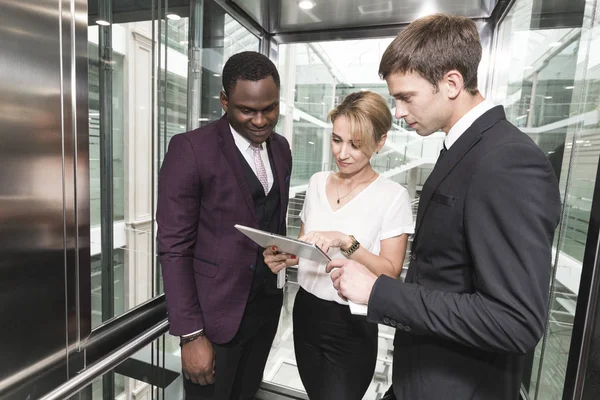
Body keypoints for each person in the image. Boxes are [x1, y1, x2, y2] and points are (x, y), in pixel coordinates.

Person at [328, 14, 562, 400]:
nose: (399, 112)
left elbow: (515, 321)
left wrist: (379, 292)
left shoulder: (507, 161)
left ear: (451, 83)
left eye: (406, 97)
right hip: (423, 376)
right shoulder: (464, 147)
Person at [157, 51, 292, 400]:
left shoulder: (282, 149)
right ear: (224, 101)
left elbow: (273, 222)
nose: (261, 120)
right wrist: (190, 335)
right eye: (247, 110)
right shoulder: (190, 149)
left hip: (265, 310)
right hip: (214, 320)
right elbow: (173, 248)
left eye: (270, 108)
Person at [264, 91, 414, 400]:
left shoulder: (393, 196)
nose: (342, 153)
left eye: (355, 145)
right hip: (305, 312)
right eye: (336, 140)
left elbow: (390, 272)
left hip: (351, 323)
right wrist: (285, 256)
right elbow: (308, 250)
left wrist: (346, 242)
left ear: (380, 142)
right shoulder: (318, 182)